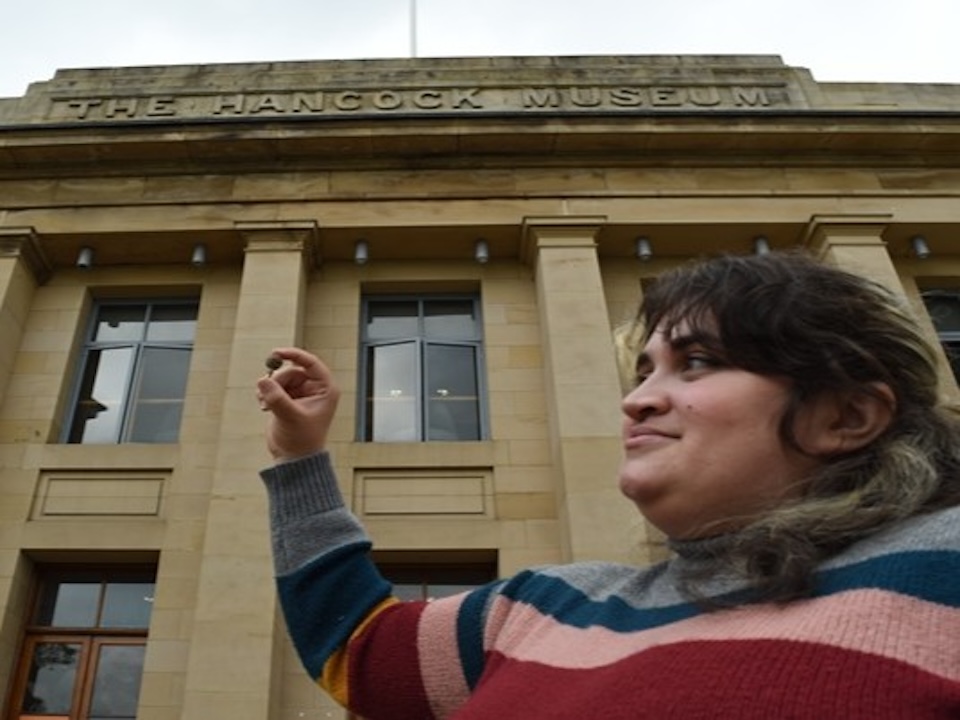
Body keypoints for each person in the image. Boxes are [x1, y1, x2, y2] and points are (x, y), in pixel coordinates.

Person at [256, 251, 960, 719]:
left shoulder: (944, 566)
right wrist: (299, 459)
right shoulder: (538, 609)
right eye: (644, 371)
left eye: (697, 362)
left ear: (847, 415)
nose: (637, 400)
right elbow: (357, 648)